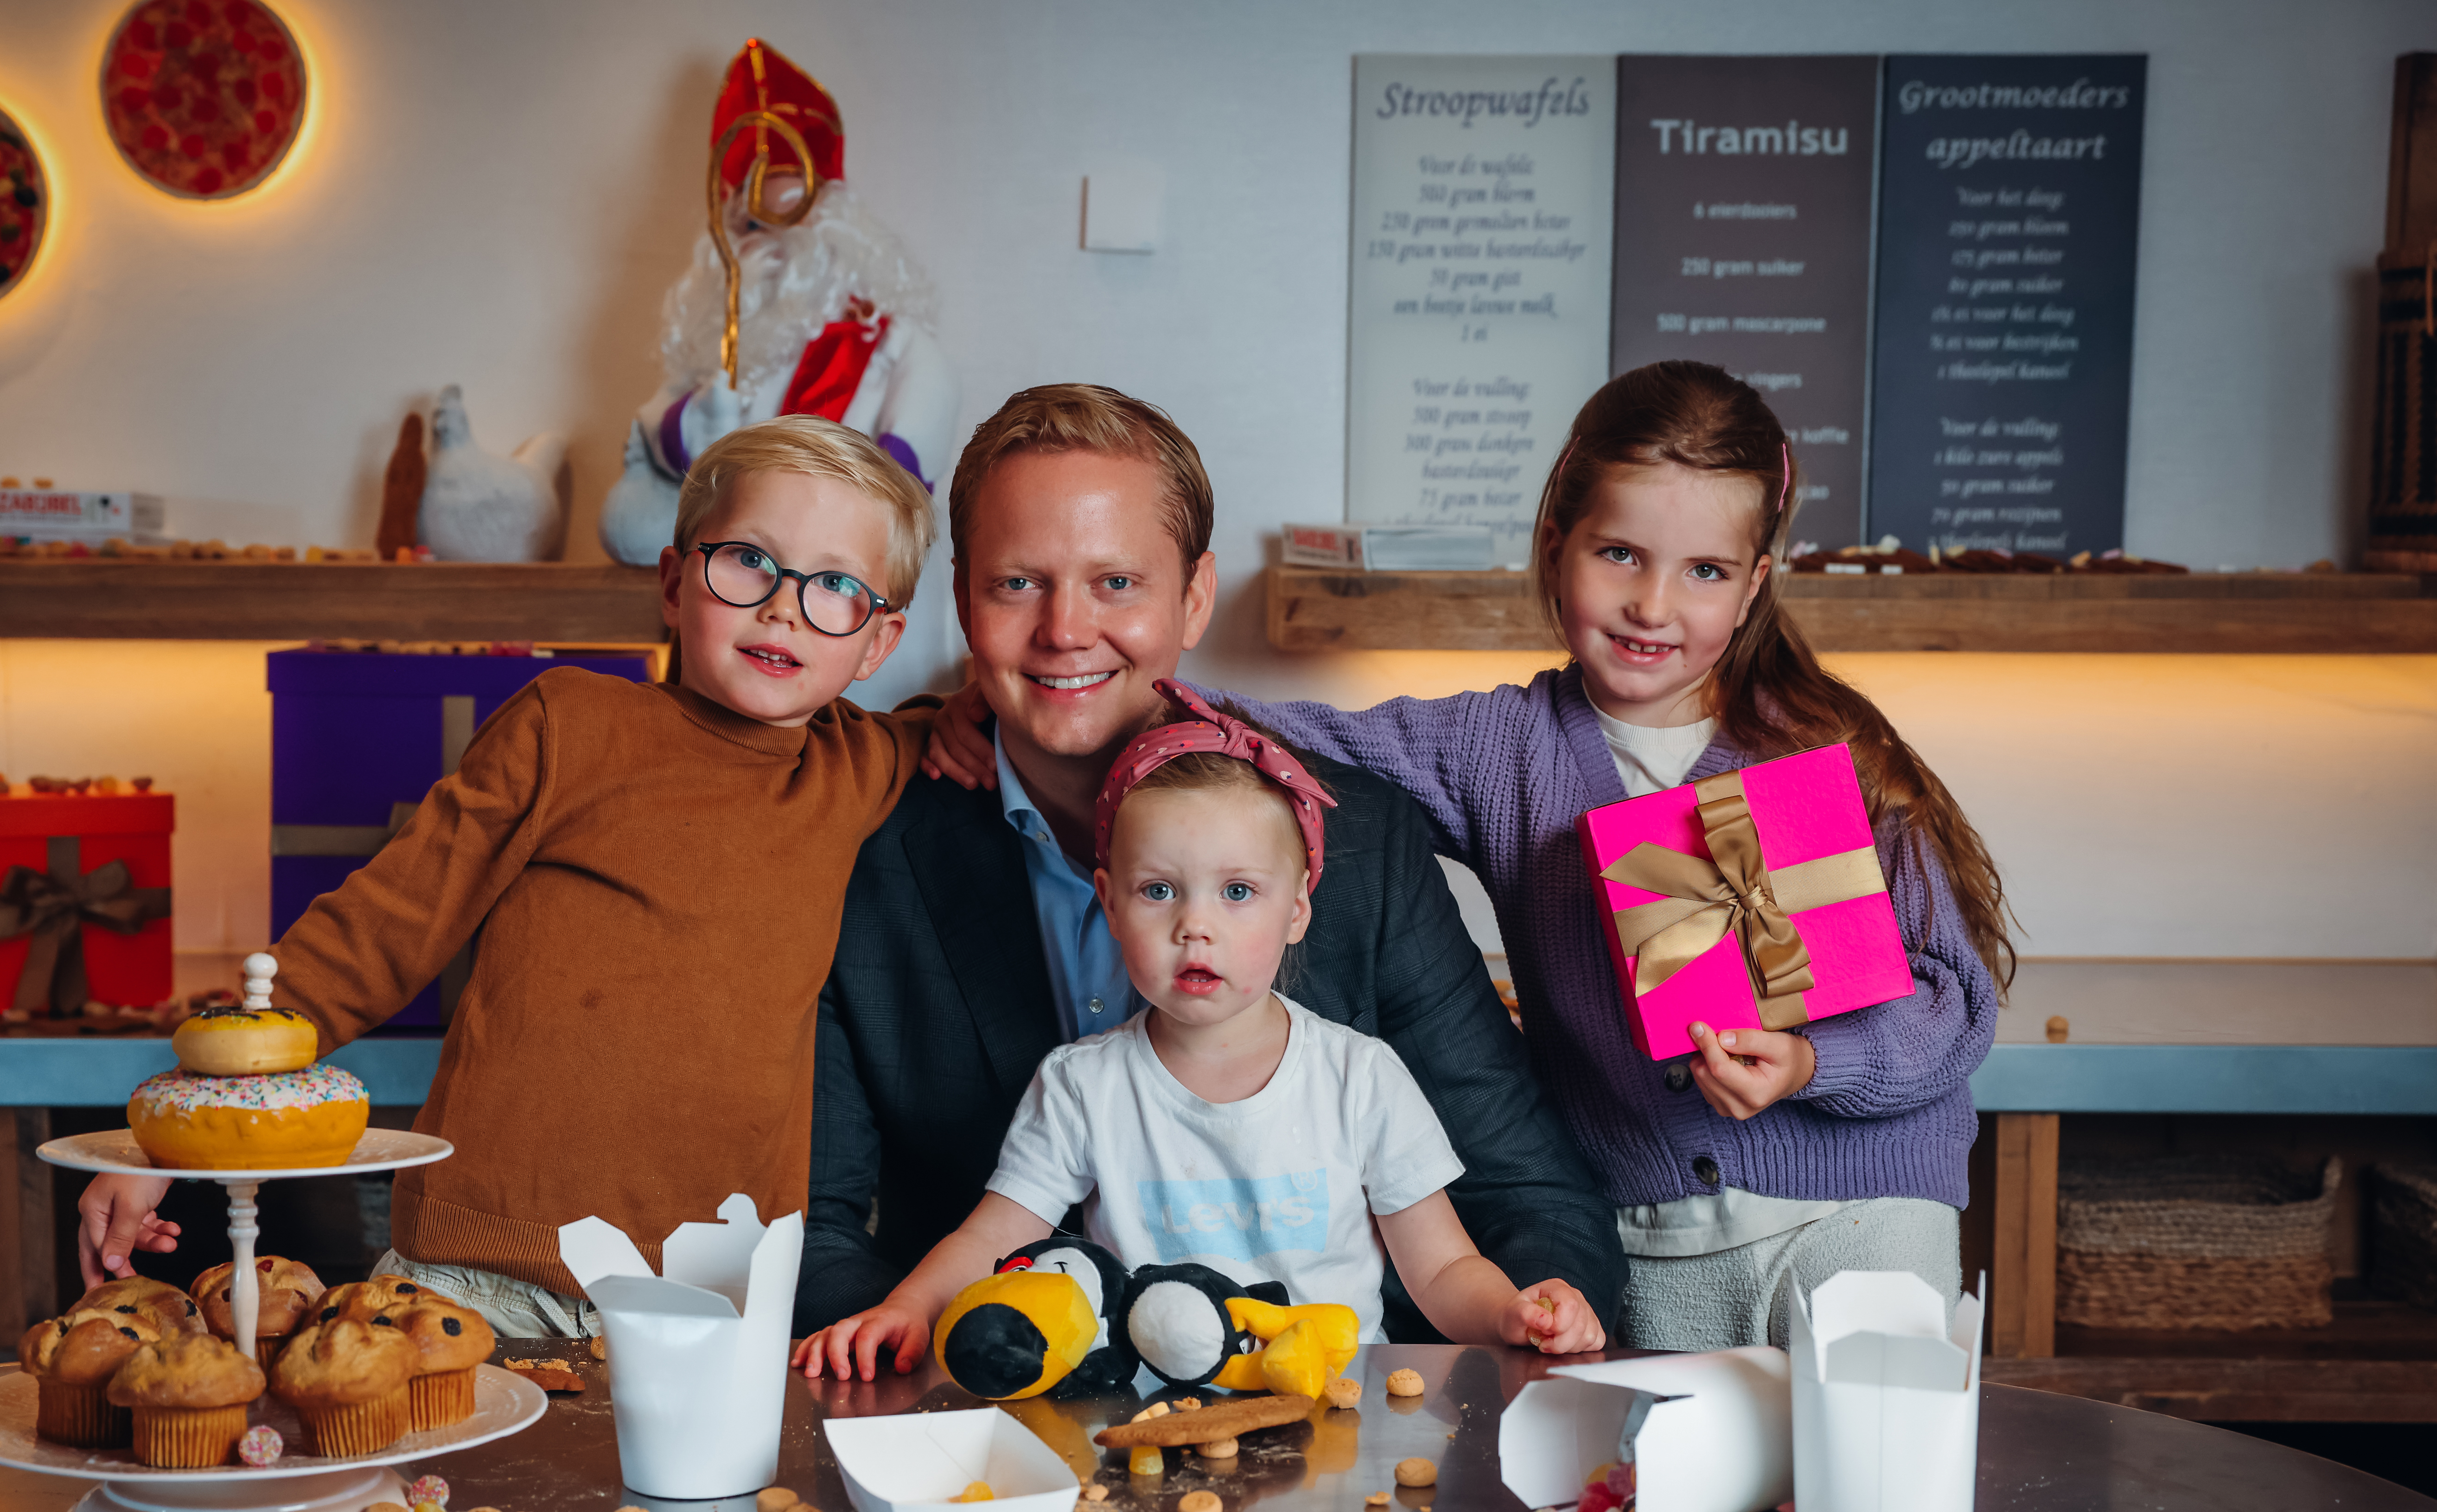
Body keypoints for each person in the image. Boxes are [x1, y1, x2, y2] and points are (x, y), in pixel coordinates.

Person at [939, 361, 2009, 1350]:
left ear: (1754, 583)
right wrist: (1022, 696)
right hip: (1650, 1234)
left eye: (1706, 570)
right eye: (1620, 554)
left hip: (1864, 1203)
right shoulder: (1503, 749)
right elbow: (1295, 738)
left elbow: (1954, 1004)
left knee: (1878, 1496)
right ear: (1557, 548)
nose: (1652, 603)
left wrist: (1815, 1064)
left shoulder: (1831, 750)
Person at [796, 383, 1622, 1376]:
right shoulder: (863, 841)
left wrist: (1532, 1324)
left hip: (1333, 1405)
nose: (1064, 630)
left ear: (1193, 599)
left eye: (1115, 584)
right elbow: (818, 1234)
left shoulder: (1355, 843)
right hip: (999, 1419)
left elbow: (1528, 1198)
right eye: (1018, 584)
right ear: (964, 598)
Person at [75, 415, 938, 1334]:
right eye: (749, 563)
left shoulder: (859, 768)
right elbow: (377, 928)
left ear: (877, 644)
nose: (781, 607)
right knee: (419, 1478)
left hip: (705, 1297)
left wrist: (966, 723)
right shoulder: (566, 726)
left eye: (835, 586)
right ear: (674, 580)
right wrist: (174, 1124)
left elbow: (994, 721)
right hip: (478, 1272)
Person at [795, 685, 1597, 1374]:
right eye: (1157, 892)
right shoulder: (1081, 1084)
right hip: (1136, 1423)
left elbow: (1442, 1267)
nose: (1194, 928)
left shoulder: (1361, 1077)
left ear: (1298, 911)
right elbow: (985, 1240)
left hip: (1333, 1416)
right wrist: (903, 1309)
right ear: (1107, 902)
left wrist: (1512, 1313)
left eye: (1238, 892)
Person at [599, 38, 957, 565]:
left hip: (848, 561)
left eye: (793, 215)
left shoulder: (893, 343)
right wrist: (698, 420)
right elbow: (657, 420)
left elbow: (924, 416)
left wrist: (870, 495)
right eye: (752, 225)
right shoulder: (722, 339)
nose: (776, 240)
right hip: (737, 559)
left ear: (837, 225)